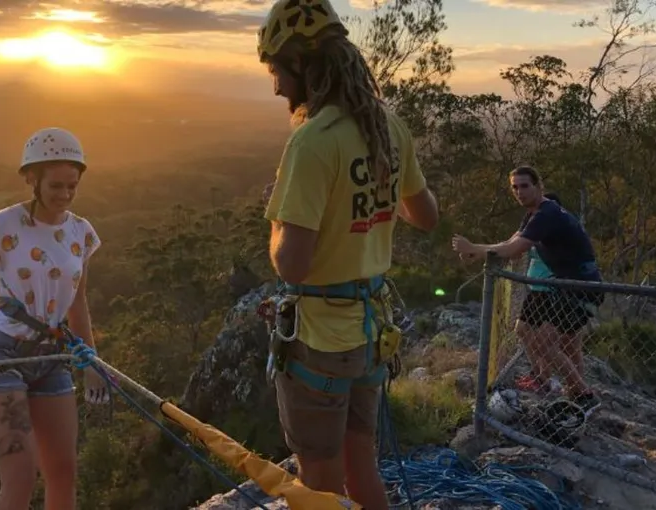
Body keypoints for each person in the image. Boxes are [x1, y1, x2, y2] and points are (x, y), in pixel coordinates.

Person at [257, 1, 439, 507]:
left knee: (318, 478)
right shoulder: (388, 124)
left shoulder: (312, 141)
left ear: (301, 64)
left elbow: (290, 262)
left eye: (276, 70)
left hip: (320, 336)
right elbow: (424, 215)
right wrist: (372, 204)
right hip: (370, 330)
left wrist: (279, 213)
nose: (275, 86)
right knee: (362, 467)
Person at [0, 127, 108, 510]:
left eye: (72, 185)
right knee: (20, 476)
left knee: (63, 472)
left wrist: (92, 361)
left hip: (51, 354)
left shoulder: (80, 233)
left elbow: (78, 299)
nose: (65, 195)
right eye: (56, 186)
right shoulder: (1, 226)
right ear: (31, 179)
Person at [452, 166, 602, 410]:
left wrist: (474, 247)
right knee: (527, 330)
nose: (519, 192)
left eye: (524, 186)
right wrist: (477, 251)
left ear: (538, 186)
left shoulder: (547, 213)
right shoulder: (533, 215)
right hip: (560, 284)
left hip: (579, 286)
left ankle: (583, 395)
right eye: (514, 187)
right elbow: (510, 242)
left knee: (549, 343)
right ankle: (566, 388)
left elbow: (515, 250)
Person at [514, 192, 564, 393]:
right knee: (522, 329)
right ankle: (538, 373)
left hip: (550, 289)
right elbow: (518, 245)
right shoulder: (535, 226)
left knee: (544, 340)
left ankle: (546, 378)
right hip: (535, 288)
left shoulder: (557, 231)